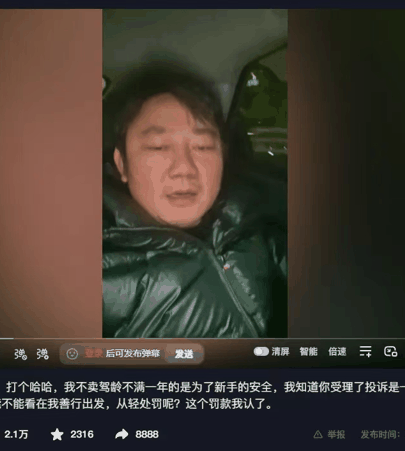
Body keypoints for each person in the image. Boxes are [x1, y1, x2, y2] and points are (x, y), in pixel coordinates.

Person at [102, 64, 287, 338]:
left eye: (202, 146)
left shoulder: (249, 219)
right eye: (158, 147)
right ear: (122, 164)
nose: (184, 168)